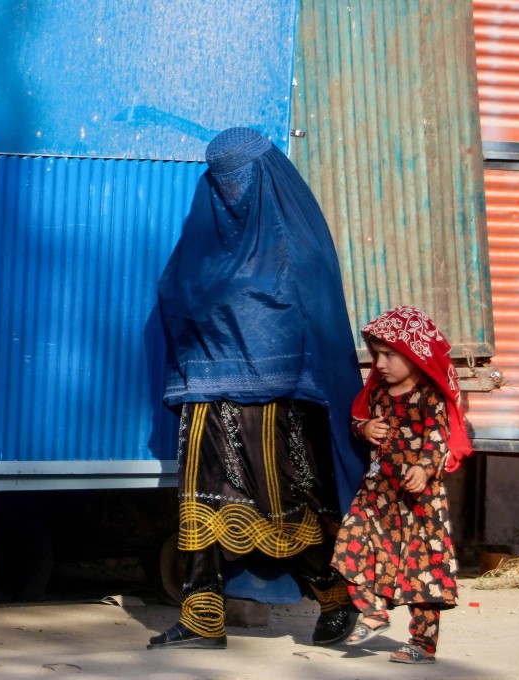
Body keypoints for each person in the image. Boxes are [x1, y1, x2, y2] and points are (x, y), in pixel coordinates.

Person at [150, 126, 367, 650]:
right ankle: (203, 617)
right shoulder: (202, 241)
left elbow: (304, 320)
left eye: (238, 177)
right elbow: (176, 294)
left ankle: (333, 592)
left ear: (263, 177)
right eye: (219, 178)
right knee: (201, 502)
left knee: (283, 504)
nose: (229, 189)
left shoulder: (292, 243)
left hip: (277, 398)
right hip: (205, 391)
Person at [332, 305, 472, 664]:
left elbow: (439, 439)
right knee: (349, 541)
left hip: (419, 500)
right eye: (377, 354)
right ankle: (373, 610)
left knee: (421, 570)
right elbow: (357, 422)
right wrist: (363, 429)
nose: (379, 363)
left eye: (390, 355)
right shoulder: (378, 395)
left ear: (415, 355)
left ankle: (422, 644)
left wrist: (425, 469)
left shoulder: (429, 397)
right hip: (377, 493)